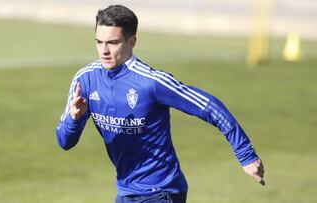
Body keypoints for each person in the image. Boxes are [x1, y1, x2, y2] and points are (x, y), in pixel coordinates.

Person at [56, 4, 265, 203]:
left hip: (162, 191)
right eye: (99, 42)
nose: (104, 51)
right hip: (126, 191)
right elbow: (65, 142)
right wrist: (74, 119)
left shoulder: (151, 83)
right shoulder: (85, 80)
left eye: (112, 42)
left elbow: (209, 106)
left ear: (131, 42)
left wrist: (246, 154)